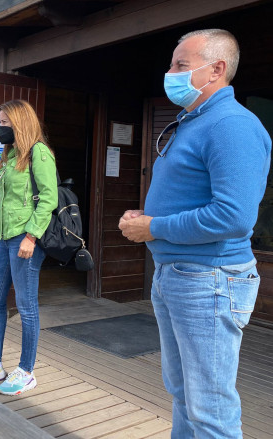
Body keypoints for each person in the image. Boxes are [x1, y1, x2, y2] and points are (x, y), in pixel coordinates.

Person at [119, 29, 271, 438]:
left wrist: (153, 227)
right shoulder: (196, 121)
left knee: (210, 409)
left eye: (180, 65)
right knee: (184, 394)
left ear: (216, 69)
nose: (170, 73)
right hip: (181, 275)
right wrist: (148, 216)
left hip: (209, 279)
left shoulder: (232, 125)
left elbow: (233, 217)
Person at [0, 99, 58, 395]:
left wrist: (31, 236)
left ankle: (26, 371)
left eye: (4, 122)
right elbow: (7, 203)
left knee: (26, 306)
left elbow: (49, 198)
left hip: (26, 238)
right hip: (6, 238)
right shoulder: (11, 154)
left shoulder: (39, 153)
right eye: (0, 122)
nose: (0, 127)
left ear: (20, 123)